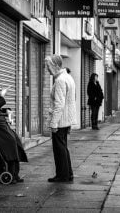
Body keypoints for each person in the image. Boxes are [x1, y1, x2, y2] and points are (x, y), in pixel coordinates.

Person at [45, 54, 77, 183]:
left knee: (59, 149)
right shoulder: (68, 77)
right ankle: (67, 173)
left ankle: (62, 175)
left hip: (60, 120)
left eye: (48, 66)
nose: (47, 69)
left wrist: (53, 123)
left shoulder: (59, 80)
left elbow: (59, 104)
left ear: (56, 65)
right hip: (66, 119)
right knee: (63, 147)